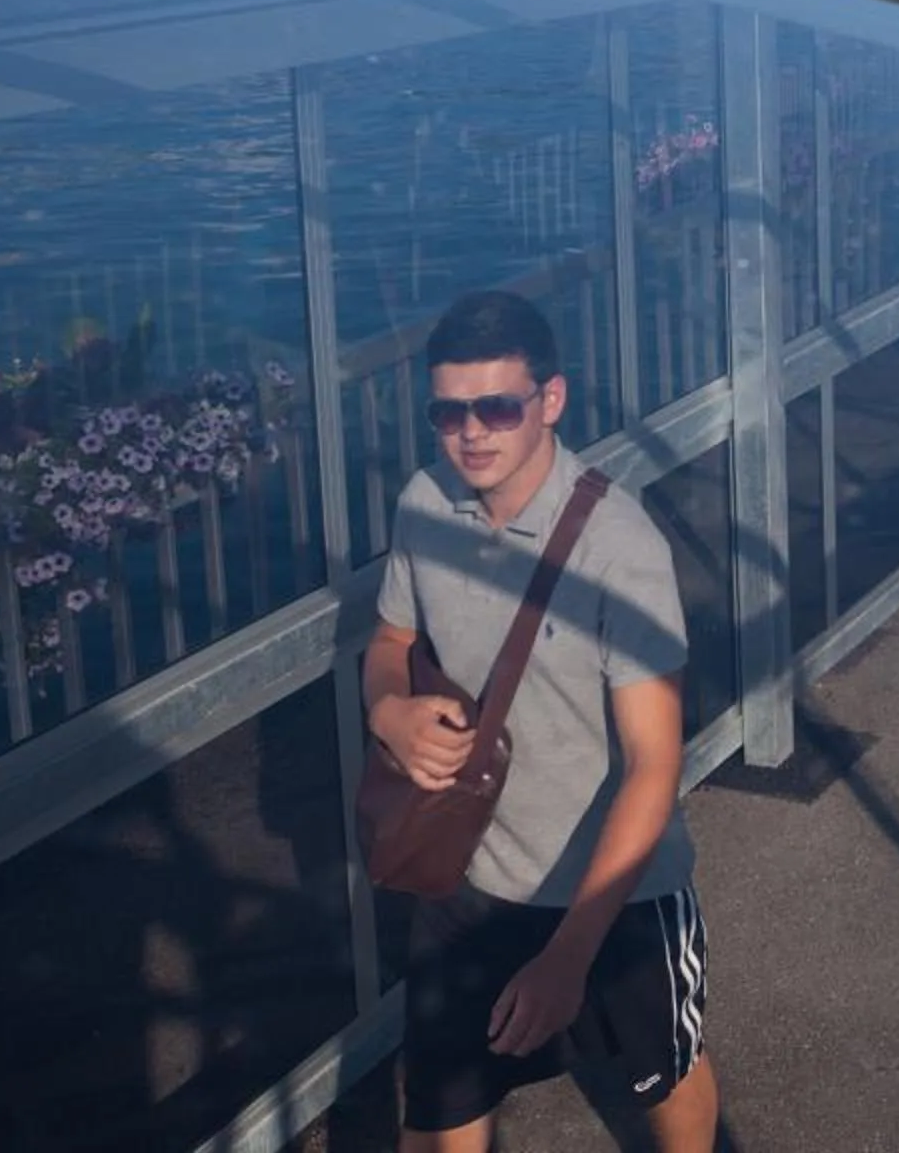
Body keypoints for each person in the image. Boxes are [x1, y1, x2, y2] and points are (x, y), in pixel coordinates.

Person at [368, 291, 718, 1152]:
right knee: (441, 1110)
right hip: (471, 882)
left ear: (550, 401)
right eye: (448, 413)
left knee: (663, 1075)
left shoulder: (619, 549)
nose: (471, 433)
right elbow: (389, 639)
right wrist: (389, 710)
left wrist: (568, 957)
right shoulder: (423, 500)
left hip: (618, 893)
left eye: (497, 407)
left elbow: (651, 765)